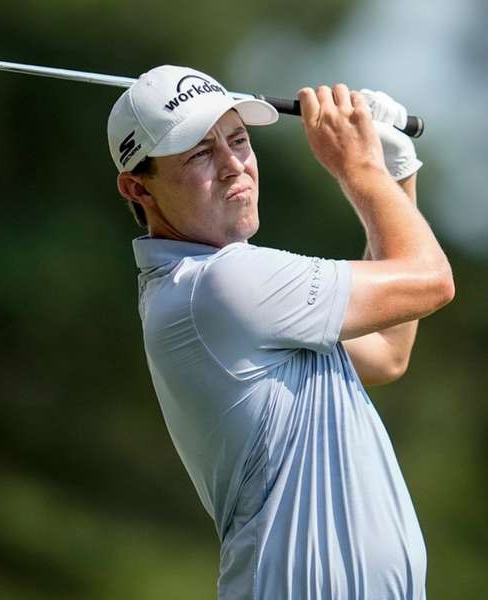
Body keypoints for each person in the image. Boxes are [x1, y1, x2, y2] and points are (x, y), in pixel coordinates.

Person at [107, 65, 454, 600]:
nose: (232, 167)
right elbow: (431, 282)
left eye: (239, 140)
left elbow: (387, 352)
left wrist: (396, 170)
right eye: (200, 153)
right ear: (137, 187)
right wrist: (362, 167)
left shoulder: (227, 288)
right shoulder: (219, 285)